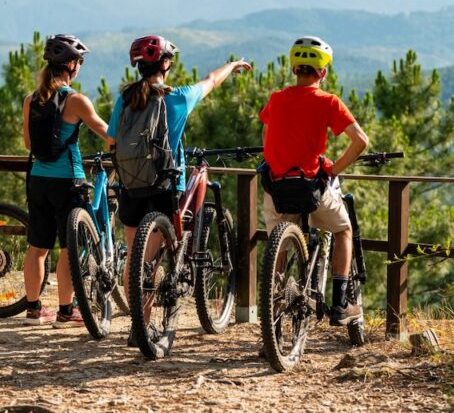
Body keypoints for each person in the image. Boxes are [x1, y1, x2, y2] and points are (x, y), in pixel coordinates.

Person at [108, 35, 251, 340]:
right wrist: (234, 64)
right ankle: (149, 327)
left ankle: (139, 325)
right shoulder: (179, 97)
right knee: (156, 258)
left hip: (130, 184)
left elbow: (111, 141)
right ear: (166, 63)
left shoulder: (125, 98)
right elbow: (212, 81)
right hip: (164, 187)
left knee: (136, 257)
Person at [259, 36, 370, 326]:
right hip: (310, 188)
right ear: (322, 72)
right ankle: (339, 304)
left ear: (294, 69)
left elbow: (266, 137)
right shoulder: (328, 101)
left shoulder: (276, 99)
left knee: (279, 248)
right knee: (344, 230)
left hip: (276, 187)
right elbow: (361, 142)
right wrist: (334, 170)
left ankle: (273, 320)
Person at [22, 34, 111, 327]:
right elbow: (106, 133)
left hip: (37, 179)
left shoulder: (31, 100)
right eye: (80, 61)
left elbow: (27, 142)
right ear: (71, 65)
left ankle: (33, 310)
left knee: (37, 247)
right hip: (68, 181)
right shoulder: (75, 100)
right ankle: (65, 310)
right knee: (69, 248)